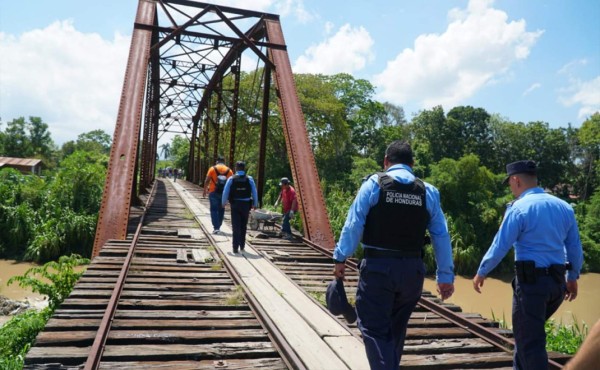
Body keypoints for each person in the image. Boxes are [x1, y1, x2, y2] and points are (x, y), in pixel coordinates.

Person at [333, 140, 455, 370]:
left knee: (373, 328)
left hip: (379, 269)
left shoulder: (374, 185)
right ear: (412, 163)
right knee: (396, 330)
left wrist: (341, 257)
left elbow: (353, 225)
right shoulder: (427, 191)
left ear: (386, 161)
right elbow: (441, 235)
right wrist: (445, 276)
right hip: (412, 272)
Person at [472, 160, 584, 370]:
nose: (511, 188)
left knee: (531, 344)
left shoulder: (519, 209)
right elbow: (575, 248)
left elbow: (500, 245)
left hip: (532, 286)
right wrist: (573, 277)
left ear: (516, 180)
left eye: (510, 184)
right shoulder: (565, 207)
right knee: (526, 337)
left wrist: (482, 271)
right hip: (557, 286)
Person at [222, 161, 258, 253]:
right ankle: (242, 246)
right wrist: (255, 204)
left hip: (235, 204)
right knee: (243, 225)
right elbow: (254, 192)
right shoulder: (249, 179)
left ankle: (235, 248)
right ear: (244, 168)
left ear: (236, 168)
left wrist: (223, 202)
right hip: (246, 205)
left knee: (235, 226)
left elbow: (225, 192)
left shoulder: (231, 179)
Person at [203, 156, 233, 234]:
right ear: (224, 162)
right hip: (224, 193)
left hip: (213, 191)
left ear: (217, 162)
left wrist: (205, 190)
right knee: (221, 209)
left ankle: (216, 227)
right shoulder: (229, 171)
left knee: (213, 209)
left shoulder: (212, 168)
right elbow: (232, 184)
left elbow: (207, 180)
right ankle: (218, 225)